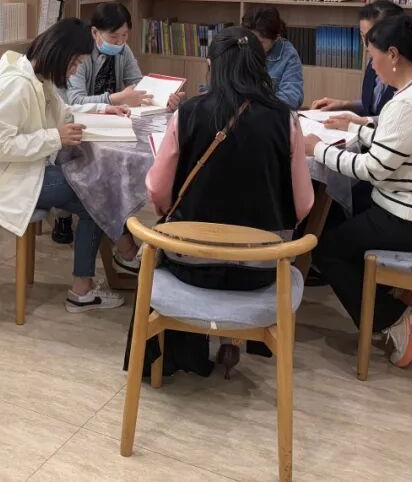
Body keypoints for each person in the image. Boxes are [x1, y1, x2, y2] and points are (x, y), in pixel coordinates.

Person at [128, 26, 313, 376]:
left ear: (211, 65)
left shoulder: (188, 113)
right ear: (260, 66)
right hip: (260, 268)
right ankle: (235, 340)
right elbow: (303, 205)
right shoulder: (285, 120)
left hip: (190, 262)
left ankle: (176, 357)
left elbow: (157, 191)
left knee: (165, 236)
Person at [305, 14, 412, 369]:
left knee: (327, 248)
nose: (371, 65)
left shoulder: (407, 104)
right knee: (339, 217)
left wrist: (317, 148)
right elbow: (399, 140)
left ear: (392, 55)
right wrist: (356, 128)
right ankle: (387, 296)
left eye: (372, 55)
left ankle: (396, 320)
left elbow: (372, 168)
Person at [0, 18, 140, 312]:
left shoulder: (38, 78)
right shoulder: (17, 86)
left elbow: (65, 112)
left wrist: (102, 108)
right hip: (5, 180)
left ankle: (96, 279)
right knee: (95, 192)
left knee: (95, 194)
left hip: (26, 170)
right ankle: (119, 257)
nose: (74, 71)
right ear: (59, 54)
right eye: (74, 64)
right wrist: (55, 138)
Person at [56, 2, 183, 244]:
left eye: (124, 36)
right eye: (113, 37)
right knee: (89, 162)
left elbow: (138, 84)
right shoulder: (81, 55)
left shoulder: (123, 50)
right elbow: (75, 100)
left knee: (114, 163)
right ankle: (66, 214)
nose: (119, 42)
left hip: (111, 118)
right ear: (95, 32)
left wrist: (165, 98)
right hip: (77, 119)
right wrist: (116, 98)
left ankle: (113, 214)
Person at [311, 0, 412, 119]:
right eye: (362, 36)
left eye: (370, 37)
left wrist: (359, 123)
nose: (366, 45)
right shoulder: (376, 59)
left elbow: (403, 118)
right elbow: (373, 105)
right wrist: (344, 104)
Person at [242, 6, 303, 109]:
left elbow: (291, 98)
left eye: (260, 42)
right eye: (250, 40)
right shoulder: (240, 46)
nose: (253, 46)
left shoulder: (288, 54)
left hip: (269, 113)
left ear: (276, 38)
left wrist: (258, 107)